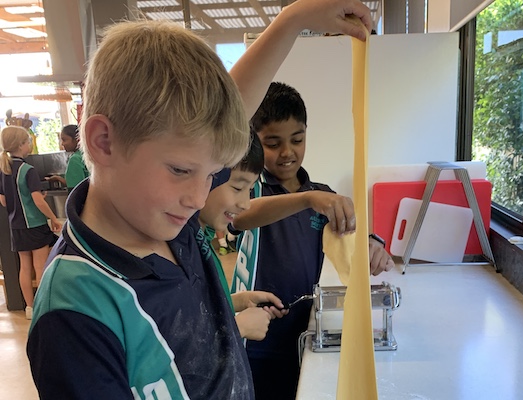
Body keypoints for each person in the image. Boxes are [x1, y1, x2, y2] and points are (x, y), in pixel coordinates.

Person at [26, 0, 374, 398]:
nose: (198, 197)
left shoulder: (163, 212)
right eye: (180, 170)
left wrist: (293, 20)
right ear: (104, 142)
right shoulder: (76, 310)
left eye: (212, 174)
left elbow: (229, 112)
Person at [230, 82, 395, 400]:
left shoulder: (322, 195)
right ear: (254, 142)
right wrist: (306, 199)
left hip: (309, 330)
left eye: (297, 140)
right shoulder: (250, 191)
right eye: (273, 143)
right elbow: (240, 217)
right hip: (259, 337)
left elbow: (351, 235)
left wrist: (373, 245)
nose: (287, 152)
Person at [199, 133, 288, 340]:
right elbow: (180, 347)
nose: (246, 203)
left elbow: (201, 309)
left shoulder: (202, 236)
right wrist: (238, 328)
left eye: (249, 190)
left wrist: (236, 301)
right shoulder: (179, 248)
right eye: (238, 188)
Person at [0, 126, 62, 320]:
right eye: (28, 141)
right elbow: (37, 200)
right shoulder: (28, 170)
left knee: (24, 267)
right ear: (21, 145)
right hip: (34, 225)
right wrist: (53, 217)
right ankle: (44, 306)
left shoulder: (4, 168)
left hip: (16, 226)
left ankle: (30, 307)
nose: (30, 144)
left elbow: (3, 200)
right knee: (41, 265)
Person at [47, 124, 89, 190]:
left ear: (77, 139)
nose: (62, 144)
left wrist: (58, 178)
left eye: (64, 140)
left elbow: (75, 188)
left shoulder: (75, 159)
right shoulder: (86, 154)